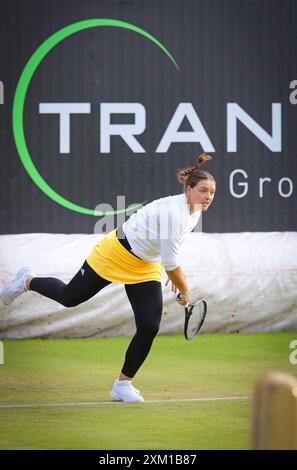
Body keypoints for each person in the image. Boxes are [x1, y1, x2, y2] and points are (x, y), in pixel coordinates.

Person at [1, 154, 216, 403]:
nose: (208, 196)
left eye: (212, 192)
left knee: (149, 326)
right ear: (188, 190)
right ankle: (26, 280)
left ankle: (123, 385)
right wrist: (183, 287)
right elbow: (170, 262)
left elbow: (170, 255)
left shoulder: (194, 212)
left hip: (144, 264)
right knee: (70, 298)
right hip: (115, 253)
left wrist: (175, 273)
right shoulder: (175, 213)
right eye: (203, 191)